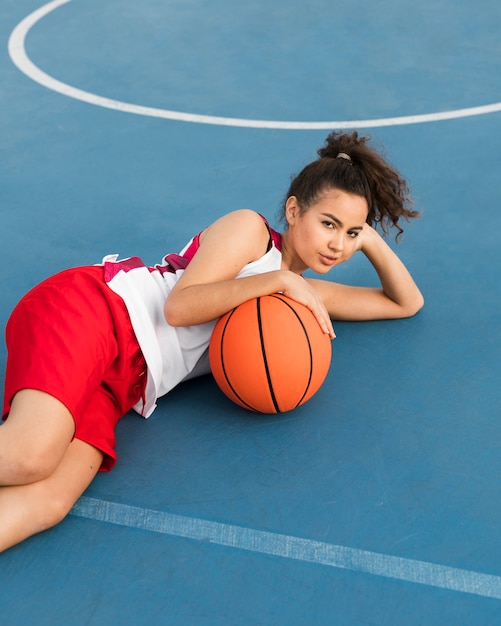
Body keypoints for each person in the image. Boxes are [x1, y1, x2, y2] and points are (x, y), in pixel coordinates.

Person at [0, 131, 423, 552]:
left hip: (125, 381)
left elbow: (405, 302)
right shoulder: (251, 232)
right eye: (328, 224)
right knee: (28, 456)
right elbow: (179, 309)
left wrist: (367, 238)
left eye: (350, 234)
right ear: (293, 210)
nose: (337, 244)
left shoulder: (295, 294)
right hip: (97, 312)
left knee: (49, 501)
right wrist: (276, 278)